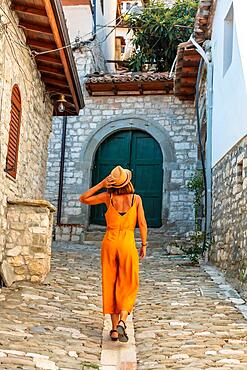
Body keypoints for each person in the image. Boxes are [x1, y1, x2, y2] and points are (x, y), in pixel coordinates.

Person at [79, 165, 147, 342]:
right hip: (127, 242)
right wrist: (144, 244)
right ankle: (123, 321)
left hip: (109, 242)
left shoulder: (107, 197)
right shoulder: (136, 199)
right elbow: (143, 223)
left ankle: (114, 330)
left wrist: (101, 184)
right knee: (129, 283)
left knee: (110, 283)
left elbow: (83, 198)